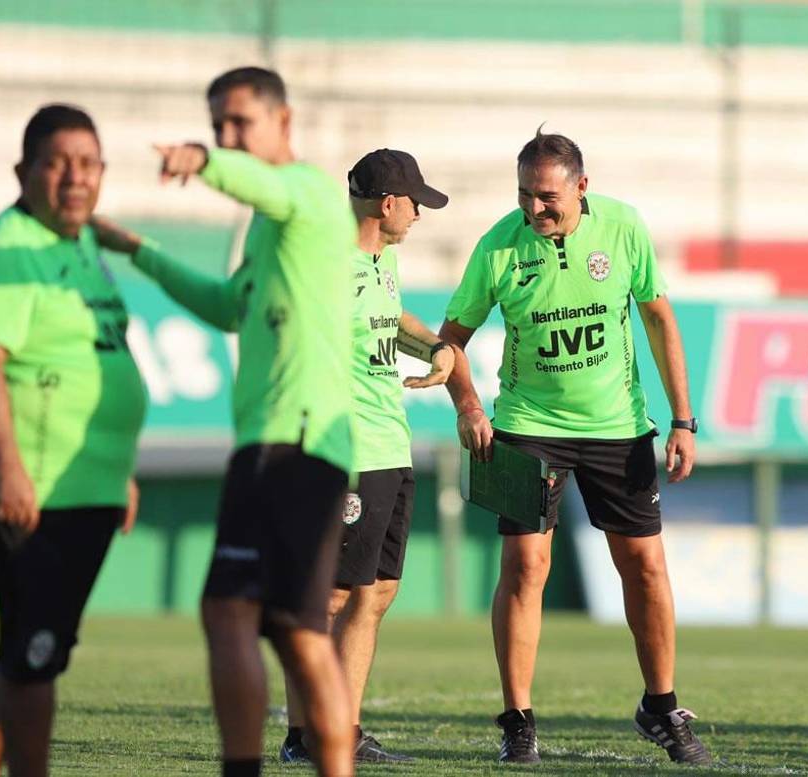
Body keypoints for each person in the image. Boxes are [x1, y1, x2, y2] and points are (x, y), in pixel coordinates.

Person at [93, 67, 358, 777]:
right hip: (279, 445)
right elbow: (227, 306)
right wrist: (140, 252)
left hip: (294, 442)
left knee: (263, 621)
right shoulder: (273, 231)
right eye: (218, 127)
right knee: (271, 624)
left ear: (285, 121)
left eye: (240, 122)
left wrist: (203, 159)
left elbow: (258, 182)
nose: (228, 136)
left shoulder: (307, 194)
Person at [439, 128, 711, 766]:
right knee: (526, 567)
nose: (535, 209)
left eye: (547, 198)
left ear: (582, 188)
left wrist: (683, 421)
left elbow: (659, 318)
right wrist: (469, 405)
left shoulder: (623, 228)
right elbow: (451, 338)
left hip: (619, 428)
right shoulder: (498, 247)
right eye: (525, 196)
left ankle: (661, 706)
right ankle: (518, 719)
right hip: (527, 423)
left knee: (645, 567)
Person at [0, 104, 146, 777]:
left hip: (85, 485)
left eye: (88, 163)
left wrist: (116, 469)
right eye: (57, 163)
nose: (75, 178)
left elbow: (97, 357)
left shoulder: (82, 243)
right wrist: (9, 470)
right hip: (30, 491)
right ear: (23, 172)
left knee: (29, 652)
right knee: (34, 658)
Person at [279, 148, 453, 765]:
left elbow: (389, 318)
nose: (418, 215)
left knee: (375, 593)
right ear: (387, 205)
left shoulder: (381, 260)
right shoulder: (327, 266)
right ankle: (307, 735)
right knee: (330, 597)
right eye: (414, 203)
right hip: (350, 448)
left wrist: (434, 346)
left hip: (389, 445)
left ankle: (340, 728)